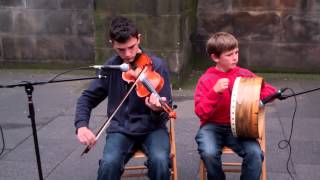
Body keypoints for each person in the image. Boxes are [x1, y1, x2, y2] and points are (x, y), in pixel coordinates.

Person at [74, 16, 173, 180]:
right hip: (121, 129)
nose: (128, 54)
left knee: (160, 161)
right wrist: (81, 125)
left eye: (132, 47)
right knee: (109, 164)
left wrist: (157, 110)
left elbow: (166, 106)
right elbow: (87, 98)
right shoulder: (112, 68)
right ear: (112, 43)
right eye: (121, 49)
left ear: (139, 38)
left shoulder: (157, 65)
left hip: (152, 129)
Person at [194, 32, 277, 180]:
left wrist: (253, 96)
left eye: (237, 52)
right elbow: (201, 113)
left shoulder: (244, 74)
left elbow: (269, 91)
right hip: (211, 127)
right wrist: (214, 92)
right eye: (229, 54)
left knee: (255, 154)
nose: (235, 57)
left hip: (240, 127)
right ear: (215, 57)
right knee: (208, 152)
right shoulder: (206, 80)